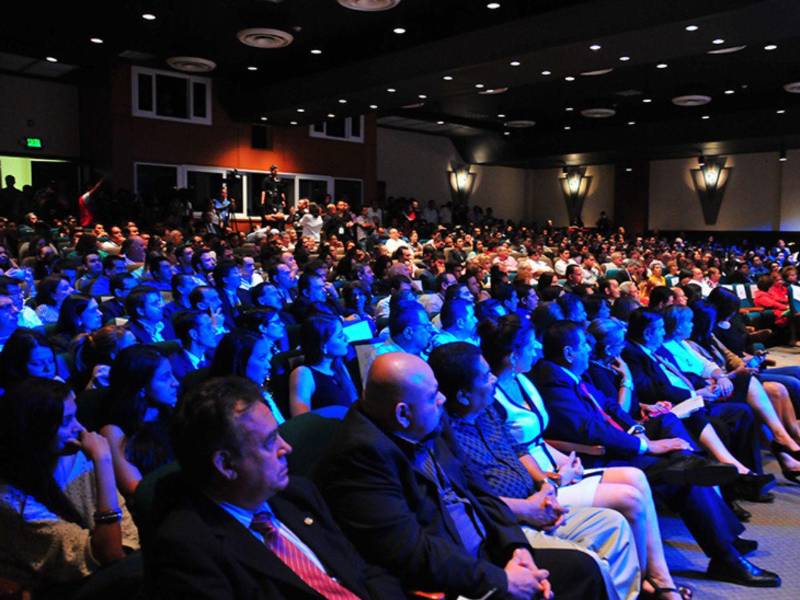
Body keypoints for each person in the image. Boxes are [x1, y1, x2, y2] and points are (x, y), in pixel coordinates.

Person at [316, 352, 607, 600]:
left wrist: (515, 547)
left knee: (583, 569)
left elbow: (478, 491)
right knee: (580, 575)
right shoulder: (360, 456)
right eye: (433, 396)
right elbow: (410, 551)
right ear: (402, 414)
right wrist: (501, 581)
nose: (443, 399)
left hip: (487, 552)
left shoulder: (426, 420)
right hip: (450, 578)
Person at [535, 320, 780, 587]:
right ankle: (726, 554)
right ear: (569, 353)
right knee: (684, 476)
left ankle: (725, 548)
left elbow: (609, 407)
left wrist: (637, 428)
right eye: (583, 344)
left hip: (616, 444)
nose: (589, 349)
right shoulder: (552, 379)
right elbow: (590, 430)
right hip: (593, 457)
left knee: (682, 468)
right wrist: (646, 445)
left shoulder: (567, 375)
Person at [149, 376, 405, 599]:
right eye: (270, 441)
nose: (287, 448)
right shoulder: (188, 550)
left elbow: (363, 571)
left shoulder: (297, 493)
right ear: (226, 464)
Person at [430, 342, 647, 600]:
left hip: (538, 497)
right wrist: (529, 508)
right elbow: (469, 499)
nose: (493, 381)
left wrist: (546, 484)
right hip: (507, 522)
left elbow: (519, 450)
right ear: (464, 395)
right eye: (486, 376)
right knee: (589, 562)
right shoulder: (444, 437)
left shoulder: (488, 409)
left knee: (614, 524)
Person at [0, 378, 140, 596]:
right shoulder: (11, 500)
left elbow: (122, 530)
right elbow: (108, 553)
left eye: (75, 416)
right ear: (36, 430)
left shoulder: (73, 458)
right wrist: (103, 460)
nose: (80, 428)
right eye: (66, 421)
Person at [99, 346, 179, 496]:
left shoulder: (170, 412)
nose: (175, 383)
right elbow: (136, 489)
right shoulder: (114, 430)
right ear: (140, 386)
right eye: (165, 377)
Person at [208, 330, 285, 424]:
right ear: (239, 363)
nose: (268, 366)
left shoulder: (261, 391)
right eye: (261, 358)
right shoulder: (233, 411)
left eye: (267, 358)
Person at [289, 316, 359, 416]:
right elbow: (301, 420)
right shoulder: (303, 374)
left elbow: (354, 403)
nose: (347, 338)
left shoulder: (338, 366)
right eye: (340, 336)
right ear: (323, 346)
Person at [72, 325, 137, 390]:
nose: (138, 348)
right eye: (132, 347)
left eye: (135, 341)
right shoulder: (103, 378)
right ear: (113, 356)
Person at [168, 310, 217, 382]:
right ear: (194, 334)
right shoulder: (175, 367)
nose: (214, 330)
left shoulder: (215, 356)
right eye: (208, 327)